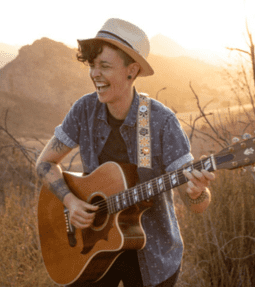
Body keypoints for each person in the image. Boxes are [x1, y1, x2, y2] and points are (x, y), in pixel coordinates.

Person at [36, 18, 215, 287]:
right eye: (92, 65)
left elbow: (198, 206)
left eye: (104, 66)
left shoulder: (161, 122)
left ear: (132, 71)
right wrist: (71, 202)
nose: (95, 74)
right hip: (91, 251)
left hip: (151, 256)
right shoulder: (84, 110)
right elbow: (44, 163)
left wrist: (197, 191)